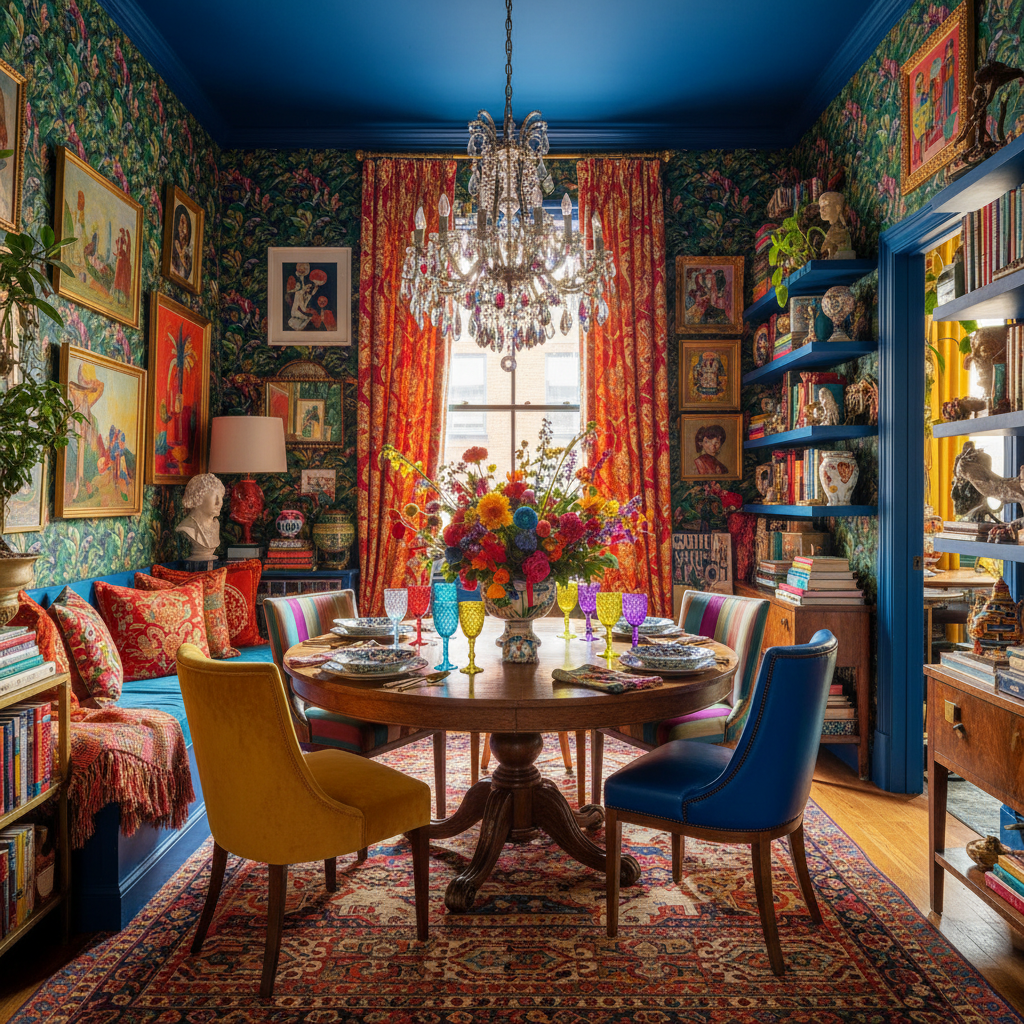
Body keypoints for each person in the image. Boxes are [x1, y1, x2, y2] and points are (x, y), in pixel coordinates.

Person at [175, 474, 225, 561]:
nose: (219, 502)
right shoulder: (187, 527)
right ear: (198, 497)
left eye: (221, 497)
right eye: (215, 496)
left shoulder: (216, 525)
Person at [171, 205, 193, 281]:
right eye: (182, 223)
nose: (184, 230)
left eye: (186, 225)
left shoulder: (189, 257)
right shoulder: (172, 250)